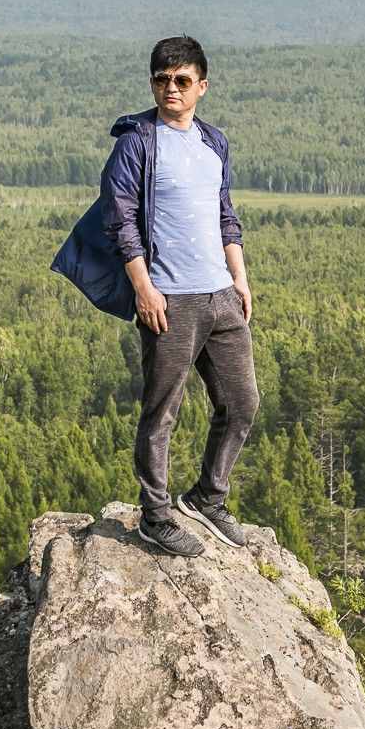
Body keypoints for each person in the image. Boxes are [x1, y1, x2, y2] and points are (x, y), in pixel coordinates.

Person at [51, 35, 259, 556]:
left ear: (202, 87)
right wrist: (144, 289)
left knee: (241, 403)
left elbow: (225, 215)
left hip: (220, 295)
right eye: (162, 80)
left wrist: (241, 279)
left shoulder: (214, 142)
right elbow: (119, 219)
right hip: (170, 297)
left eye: (182, 80)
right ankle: (155, 515)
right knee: (162, 410)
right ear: (152, 83)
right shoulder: (137, 142)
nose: (172, 88)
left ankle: (209, 498)